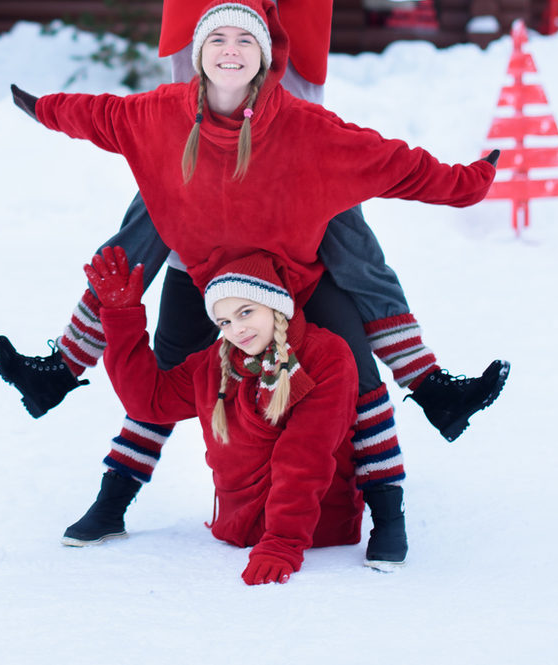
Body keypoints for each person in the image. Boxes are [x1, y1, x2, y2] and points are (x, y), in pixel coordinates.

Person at [0, 0, 548, 549]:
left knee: (361, 260)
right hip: (195, 140)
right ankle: (62, 371)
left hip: (293, 151)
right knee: (135, 245)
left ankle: (429, 388)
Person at [12, 0, 497, 567]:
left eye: (244, 41)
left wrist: (465, 184)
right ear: (198, 54)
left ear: (263, 57)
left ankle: (389, 515)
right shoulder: (158, 116)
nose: (230, 51)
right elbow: (98, 115)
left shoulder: (305, 127)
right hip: (202, 285)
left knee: (359, 376)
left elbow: (391, 162)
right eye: (217, 40)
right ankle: (111, 503)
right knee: (161, 386)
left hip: (290, 291)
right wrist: (44, 107)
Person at [87, 246, 361, 586]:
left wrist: (282, 543)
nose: (237, 330)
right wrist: (122, 317)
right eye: (225, 321)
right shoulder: (216, 364)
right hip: (235, 533)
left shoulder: (325, 355)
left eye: (246, 312)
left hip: (314, 533)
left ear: (275, 305)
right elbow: (149, 402)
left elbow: (306, 457)